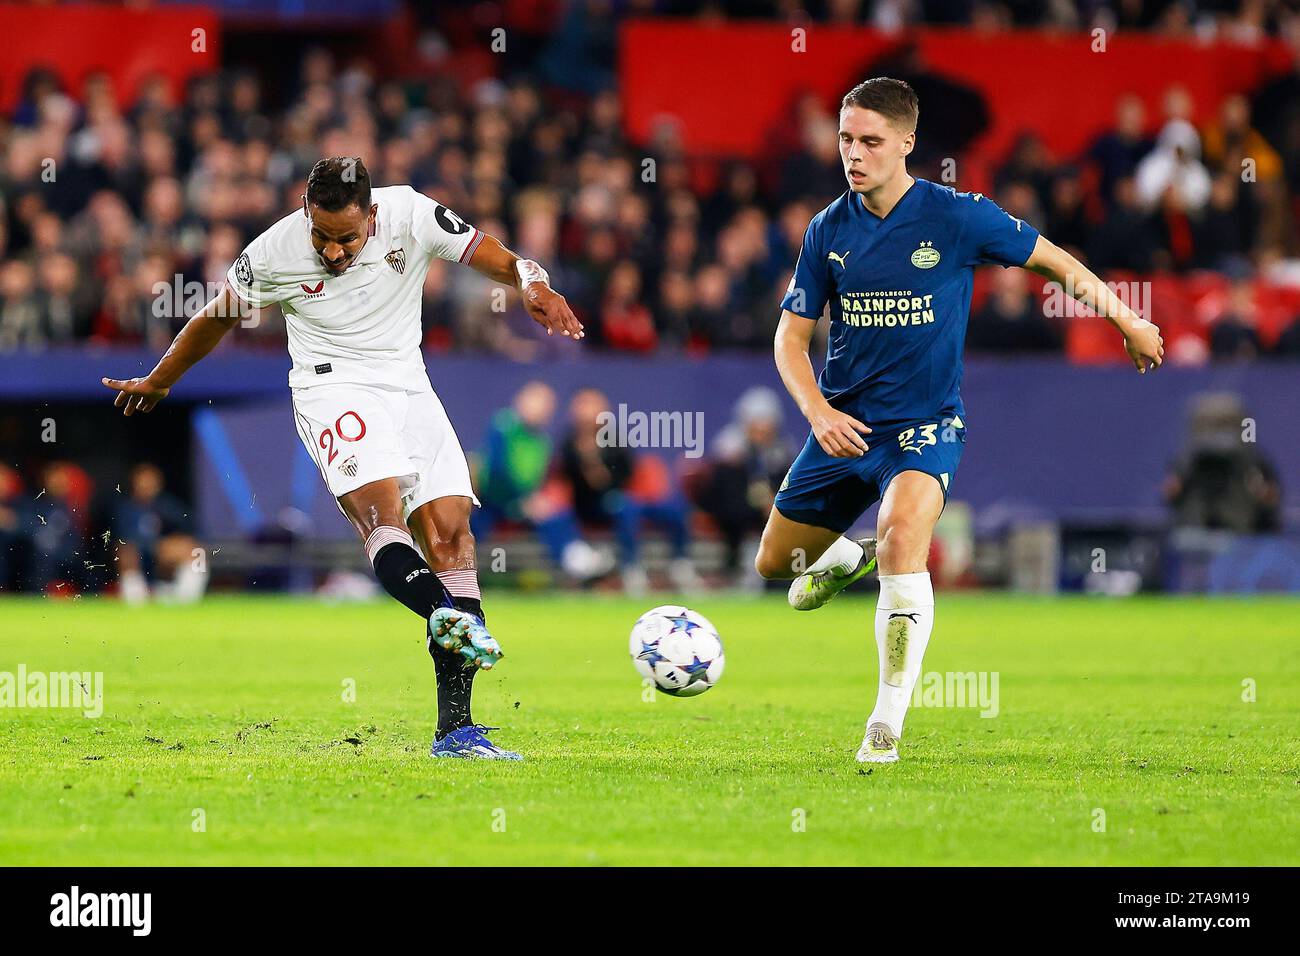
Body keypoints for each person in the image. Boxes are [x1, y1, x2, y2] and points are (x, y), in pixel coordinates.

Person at [102, 157, 584, 760]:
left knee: (453, 532)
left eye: (346, 238)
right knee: (383, 516)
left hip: (410, 386)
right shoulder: (274, 250)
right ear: (306, 214)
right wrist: (159, 378)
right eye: (321, 236)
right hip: (332, 387)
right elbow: (215, 317)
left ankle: (456, 731)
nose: (332, 252)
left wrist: (530, 284)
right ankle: (440, 611)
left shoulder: (410, 213)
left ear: (373, 216)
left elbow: (493, 254)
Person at [753, 78, 1163, 765]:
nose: (854, 154)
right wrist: (818, 412)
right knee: (773, 563)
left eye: (871, 142)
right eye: (846, 139)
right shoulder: (828, 228)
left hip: (924, 426)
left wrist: (1126, 318)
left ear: (906, 144)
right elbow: (789, 340)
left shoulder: (958, 216)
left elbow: (1054, 262)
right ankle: (842, 559)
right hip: (844, 427)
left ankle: (884, 722)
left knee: (902, 538)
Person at [112, 462, 208, 605]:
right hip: (137, 557)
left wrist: (174, 544)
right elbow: (122, 538)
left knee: (195, 550)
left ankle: (186, 599)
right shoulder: (123, 509)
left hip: (161, 561)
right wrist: (154, 545)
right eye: (142, 481)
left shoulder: (167, 506)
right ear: (134, 483)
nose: (146, 486)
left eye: (151, 481)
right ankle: (136, 600)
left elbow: (194, 531)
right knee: (125, 552)